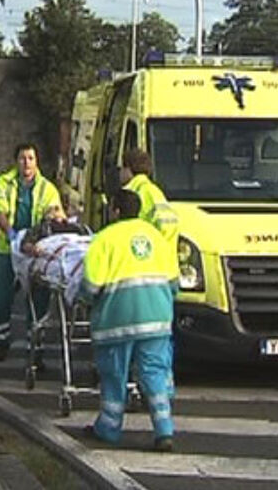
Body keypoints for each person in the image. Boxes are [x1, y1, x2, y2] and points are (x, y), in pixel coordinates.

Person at [80, 190, 178, 452]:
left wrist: (83, 301)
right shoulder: (156, 238)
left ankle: (109, 428)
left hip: (117, 321)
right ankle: (164, 429)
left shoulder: (104, 239)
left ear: (114, 210)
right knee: (155, 374)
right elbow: (174, 283)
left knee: (114, 375)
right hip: (157, 318)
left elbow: (91, 286)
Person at [0, 143, 62, 362]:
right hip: (9, 250)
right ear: (16, 161)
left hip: (35, 250)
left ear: (36, 161)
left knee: (39, 300)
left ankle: (36, 348)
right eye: (22, 158)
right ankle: (2, 341)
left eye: (30, 158)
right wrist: (11, 234)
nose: (27, 162)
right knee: (0, 298)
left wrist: (49, 222)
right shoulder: (5, 182)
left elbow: (55, 214)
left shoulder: (47, 188)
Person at [120, 149, 178, 246]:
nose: (120, 172)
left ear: (128, 170)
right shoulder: (155, 191)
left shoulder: (134, 193)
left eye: (122, 168)